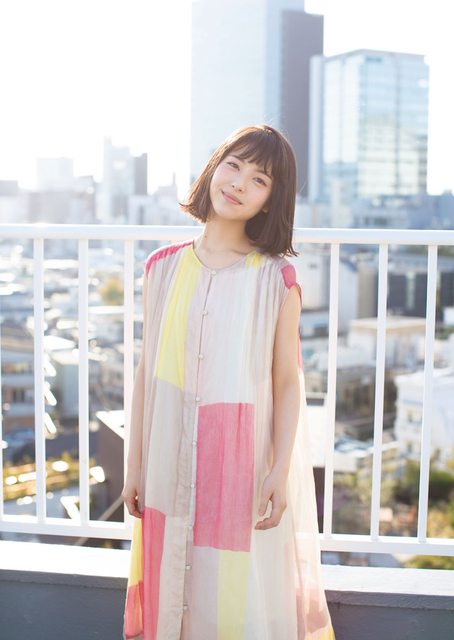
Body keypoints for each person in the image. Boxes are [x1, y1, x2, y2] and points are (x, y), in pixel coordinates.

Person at [121, 124, 335, 639]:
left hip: (239, 464)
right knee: (170, 587)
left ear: (271, 201)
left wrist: (278, 470)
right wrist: (133, 467)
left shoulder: (276, 280)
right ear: (213, 168)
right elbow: (148, 373)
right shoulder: (161, 268)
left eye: (259, 179)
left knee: (232, 595)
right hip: (166, 460)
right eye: (233, 165)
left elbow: (287, 383)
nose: (239, 182)